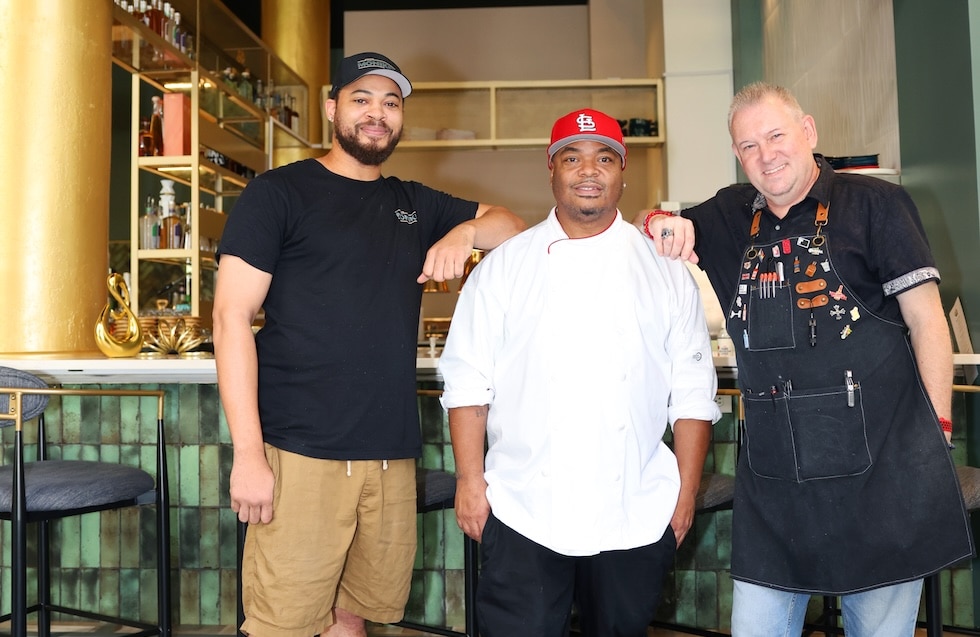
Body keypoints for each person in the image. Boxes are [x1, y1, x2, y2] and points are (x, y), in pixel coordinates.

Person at [637, 82, 974, 636]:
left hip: (880, 477)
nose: (765, 155)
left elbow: (928, 323)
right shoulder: (728, 214)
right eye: (748, 146)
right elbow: (659, 222)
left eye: (776, 135)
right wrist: (659, 224)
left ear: (809, 132)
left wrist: (937, 430)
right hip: (775, 485)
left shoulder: (876, 205)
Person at [212, 51, 526, 637]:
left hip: (388, 454)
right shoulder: (279, 193)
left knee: (355, 617)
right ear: (333, 109)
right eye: (362, 99)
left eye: (391, 103)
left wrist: (463, 232)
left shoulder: (413, 202)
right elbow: (230, 318)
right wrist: (249, 455)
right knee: (282, 624)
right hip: (300, 450)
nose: (377, 114)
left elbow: (511, 226)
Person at [439, 108, 721, 637]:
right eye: (572, 157)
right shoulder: (505, 266)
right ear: (551, 169)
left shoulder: (663, 269)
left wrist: (683, 497)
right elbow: (467, 384)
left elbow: (692, 396)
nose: (589, 171)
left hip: (633, 511)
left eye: (604, 158)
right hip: (523, 507)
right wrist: (470, 482)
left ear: (623, 171)